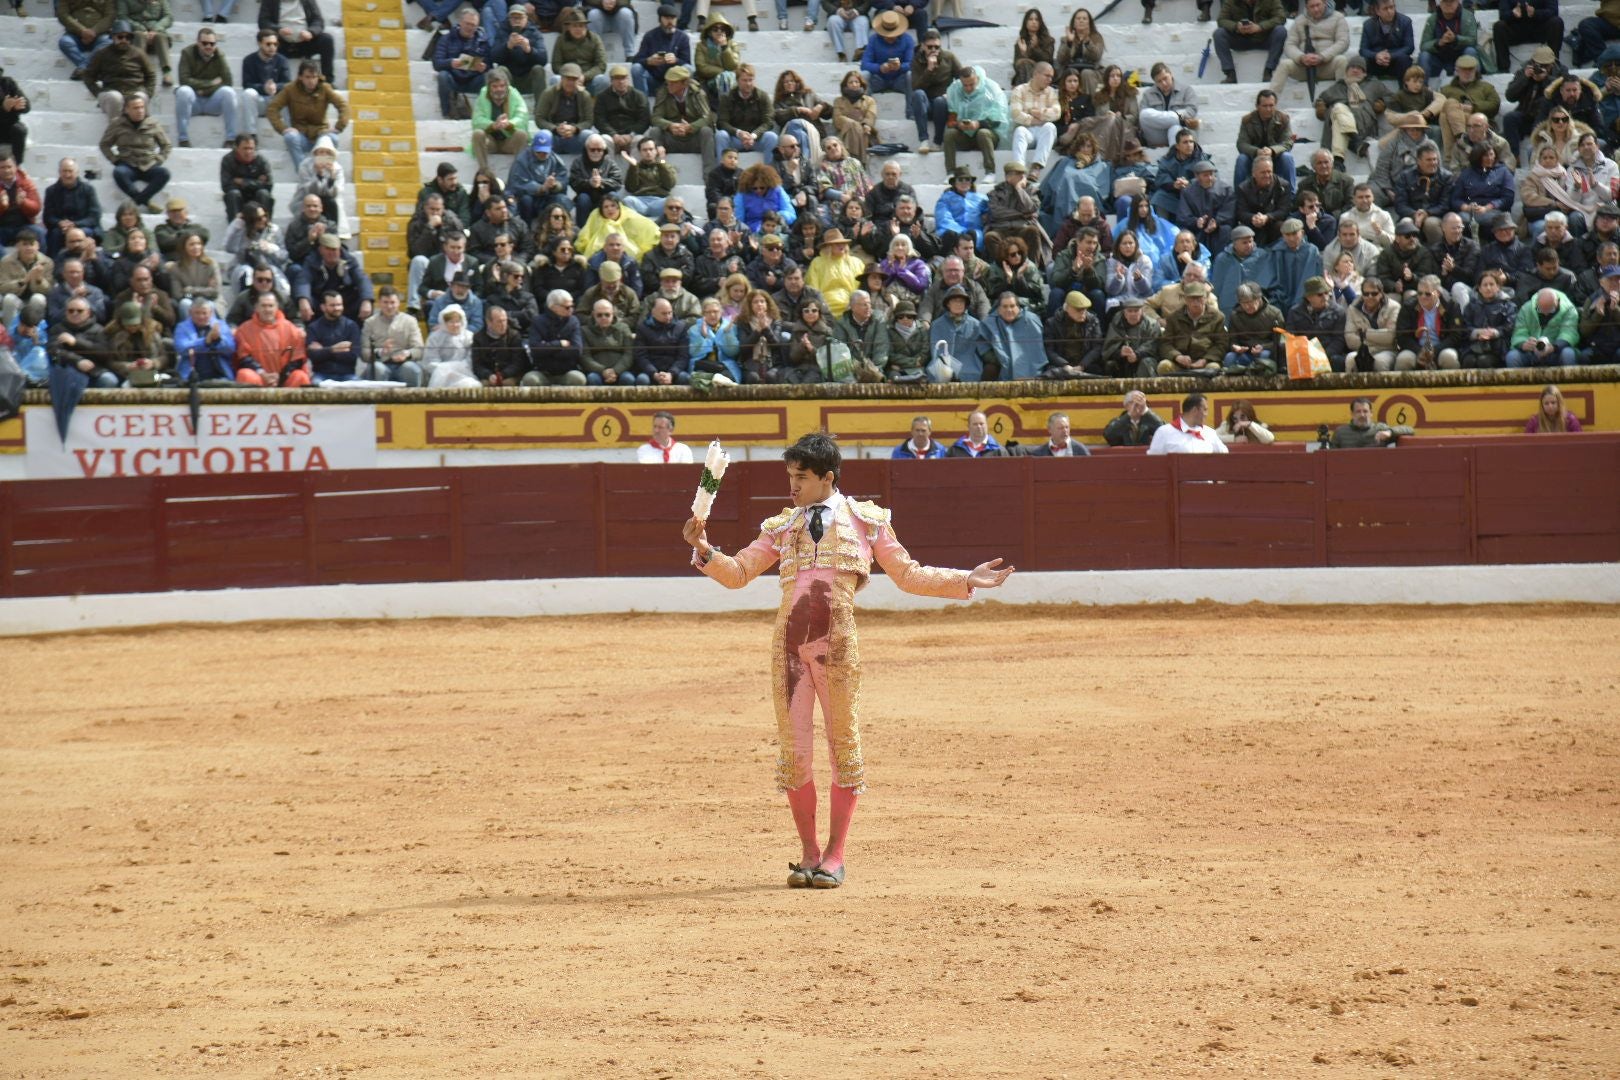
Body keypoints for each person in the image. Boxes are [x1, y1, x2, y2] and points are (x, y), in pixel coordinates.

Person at [682, 432, 1013, 890]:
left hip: (838, 648)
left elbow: (908, 574)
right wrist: (705, 550)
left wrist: (963, 578)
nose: (791, 487)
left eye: (800, 477)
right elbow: (738, 573)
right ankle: (808, 855)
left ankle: (835, 856)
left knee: (844, 747)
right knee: (794, 754)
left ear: (827, 477)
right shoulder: (781, 525)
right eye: (789, 477)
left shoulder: (867, 520)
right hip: (789, 652)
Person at [267, 60, 347, 171]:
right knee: (290, 137)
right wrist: (283, 128)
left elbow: (343, 105)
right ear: (300, 77)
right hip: (300, 134)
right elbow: (272, 108)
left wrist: (339, 126)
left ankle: (322, 173)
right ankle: (303, 172)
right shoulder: (290, 89)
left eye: (314, 77)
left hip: (320, 133)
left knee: (333, 138)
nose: (311, 81)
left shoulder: (325, 88)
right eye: (308, 77)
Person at [99, 92, 171, 214]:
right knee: (119, 173)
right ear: (127, 110)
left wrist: (159, 160)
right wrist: (115, 160)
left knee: (164, 174)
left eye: (142, 107)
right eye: (136, 108)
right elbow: (104, 144)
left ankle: (138, 200)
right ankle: (146, 202)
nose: (140, 111)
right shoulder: (117, 124)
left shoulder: (152, 123)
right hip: (128, 164)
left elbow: (166, 145)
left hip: (149, 164)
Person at [174, 26, 239, 149]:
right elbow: (184, 80)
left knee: (229, 92)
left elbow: (228, 81)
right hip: (194, 102)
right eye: (204, 43)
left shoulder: (219, 55)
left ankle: (231, 139)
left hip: (212, 102)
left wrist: (205, 89)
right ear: (198, 43)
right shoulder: (187, 53)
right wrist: (211, 83)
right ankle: (183, 139)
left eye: (212, 43)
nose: (208, 46)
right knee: (183, 91)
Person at [1272, 0, 1349, 98]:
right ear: (1307, 7)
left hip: (1327, 65)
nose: (1316, 9)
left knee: (1342, 61)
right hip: (1305, 67)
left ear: (1325, 3)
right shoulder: (1300, 20)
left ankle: (1341, 100)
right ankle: (1269, 102)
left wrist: (1323, 56)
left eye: (1318, 5)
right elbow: (1289, 44)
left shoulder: (1338, 17)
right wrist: (1301, 57)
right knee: (1284, 64)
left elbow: (1343, 42)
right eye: (1312, 6)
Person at [232, 289, 308, 386]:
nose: (267, 310)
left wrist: (281, 376)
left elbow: (298, 359)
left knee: (300, 376)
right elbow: (243, 358)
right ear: (256, 308)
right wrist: (262, 373)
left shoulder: (292, 330)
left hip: (284, 379)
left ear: (277, 307)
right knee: (245, 375)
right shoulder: (244, 330)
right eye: (263, 306)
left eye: (270, 306)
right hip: (259, 377)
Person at [944, 66, 1008, 178]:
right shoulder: (955, 90)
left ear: (977, 79)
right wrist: (959, 124)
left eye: (971, 84)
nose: (968, 88)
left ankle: (990, 172)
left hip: (988, 135)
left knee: (982, 133)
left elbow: (998, 120)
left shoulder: (991, 89)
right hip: (965, 135)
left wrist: (978, 124)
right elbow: (951, 118)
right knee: (949, 134)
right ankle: (950, 173)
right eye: (965, 85)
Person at [360, 285, 426, 382]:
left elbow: (419, 350)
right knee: (377, 369)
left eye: (392, 302)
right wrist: (381, 352)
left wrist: (407, 354)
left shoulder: (410, 321)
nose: (389, 306)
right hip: (380, 362)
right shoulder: (370, 322)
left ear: (398, 303)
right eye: (385, 302)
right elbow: (364, 353)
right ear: (379, 303)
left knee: (411, 369)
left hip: (404, 363)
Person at [1214, 0, 1287, 85]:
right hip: (1240, 39)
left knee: (1281, 31)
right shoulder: (1231, 1)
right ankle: (1230, 74)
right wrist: (1236, 27)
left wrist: (1260, 27)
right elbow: (1221, 20)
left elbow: (1281, 17)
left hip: (1264, 38)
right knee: (1219, 34)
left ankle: (1269, 71)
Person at [262, 0, 336, 83]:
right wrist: (278, 30)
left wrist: (311, 32)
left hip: (305, 43)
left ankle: (328, 81)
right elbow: (263, 22)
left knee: (327, 39)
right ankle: (270, 82)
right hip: (281, 44)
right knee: (267, 40)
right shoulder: (270, 1)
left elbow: (318, 20)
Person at [1508, 287, 1580, 366]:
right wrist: (1523, 344)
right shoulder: (1526, 309)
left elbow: (1569, 333)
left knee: (1568, 354)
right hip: (1531, 352)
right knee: (1512, 356)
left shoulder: (1569, 310)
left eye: (1550, 310)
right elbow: (1519, 332)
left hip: (1557, 351)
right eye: (1541, 309)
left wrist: (1554, 347)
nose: (1546, 314)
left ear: (1558, 302)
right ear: (1536, 303)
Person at [304, 288, 362, 383]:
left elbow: (354, 355)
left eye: (339, 305)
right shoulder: (313, 328)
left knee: (360, 390)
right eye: (332, 305)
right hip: (321, 375)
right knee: (315, 387)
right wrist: (333, 349)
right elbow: (312, 355)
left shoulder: (351, 326)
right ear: (323, 307)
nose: (337, 308)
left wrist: (324, 350)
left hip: (348, 374)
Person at [1139, 62, 1200, 149]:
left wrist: (1170, 120)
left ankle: (1174, 157)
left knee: (1175, 128)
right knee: (1144, 114)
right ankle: (1178, 120)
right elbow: (1144, 119)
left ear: (1171, 74)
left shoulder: (1186, 90)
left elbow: (1191, 110)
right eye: (1159, 81)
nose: (1163, 83)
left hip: (1179, 132)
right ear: (1155, 82)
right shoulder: (1148, 94)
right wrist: (1176, 118)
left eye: (1165, 78)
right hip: (1157, 134)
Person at [1147, 393, 1229, 454]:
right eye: (1205, 410)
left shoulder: (1209, 433)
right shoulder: (1164, 432)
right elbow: (1154, 461)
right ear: (1194, 410)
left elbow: (1224, 455)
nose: (1206, 414)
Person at [1330, 395, 1413, 447]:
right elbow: (1330, 456)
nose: (1362, 415)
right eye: (1358, 411)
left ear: (1371, 413)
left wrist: (1390, 432)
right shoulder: (1340, 432)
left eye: (1365, 411)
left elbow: (1410, 430)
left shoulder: (1380, 429)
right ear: (1352, 414)